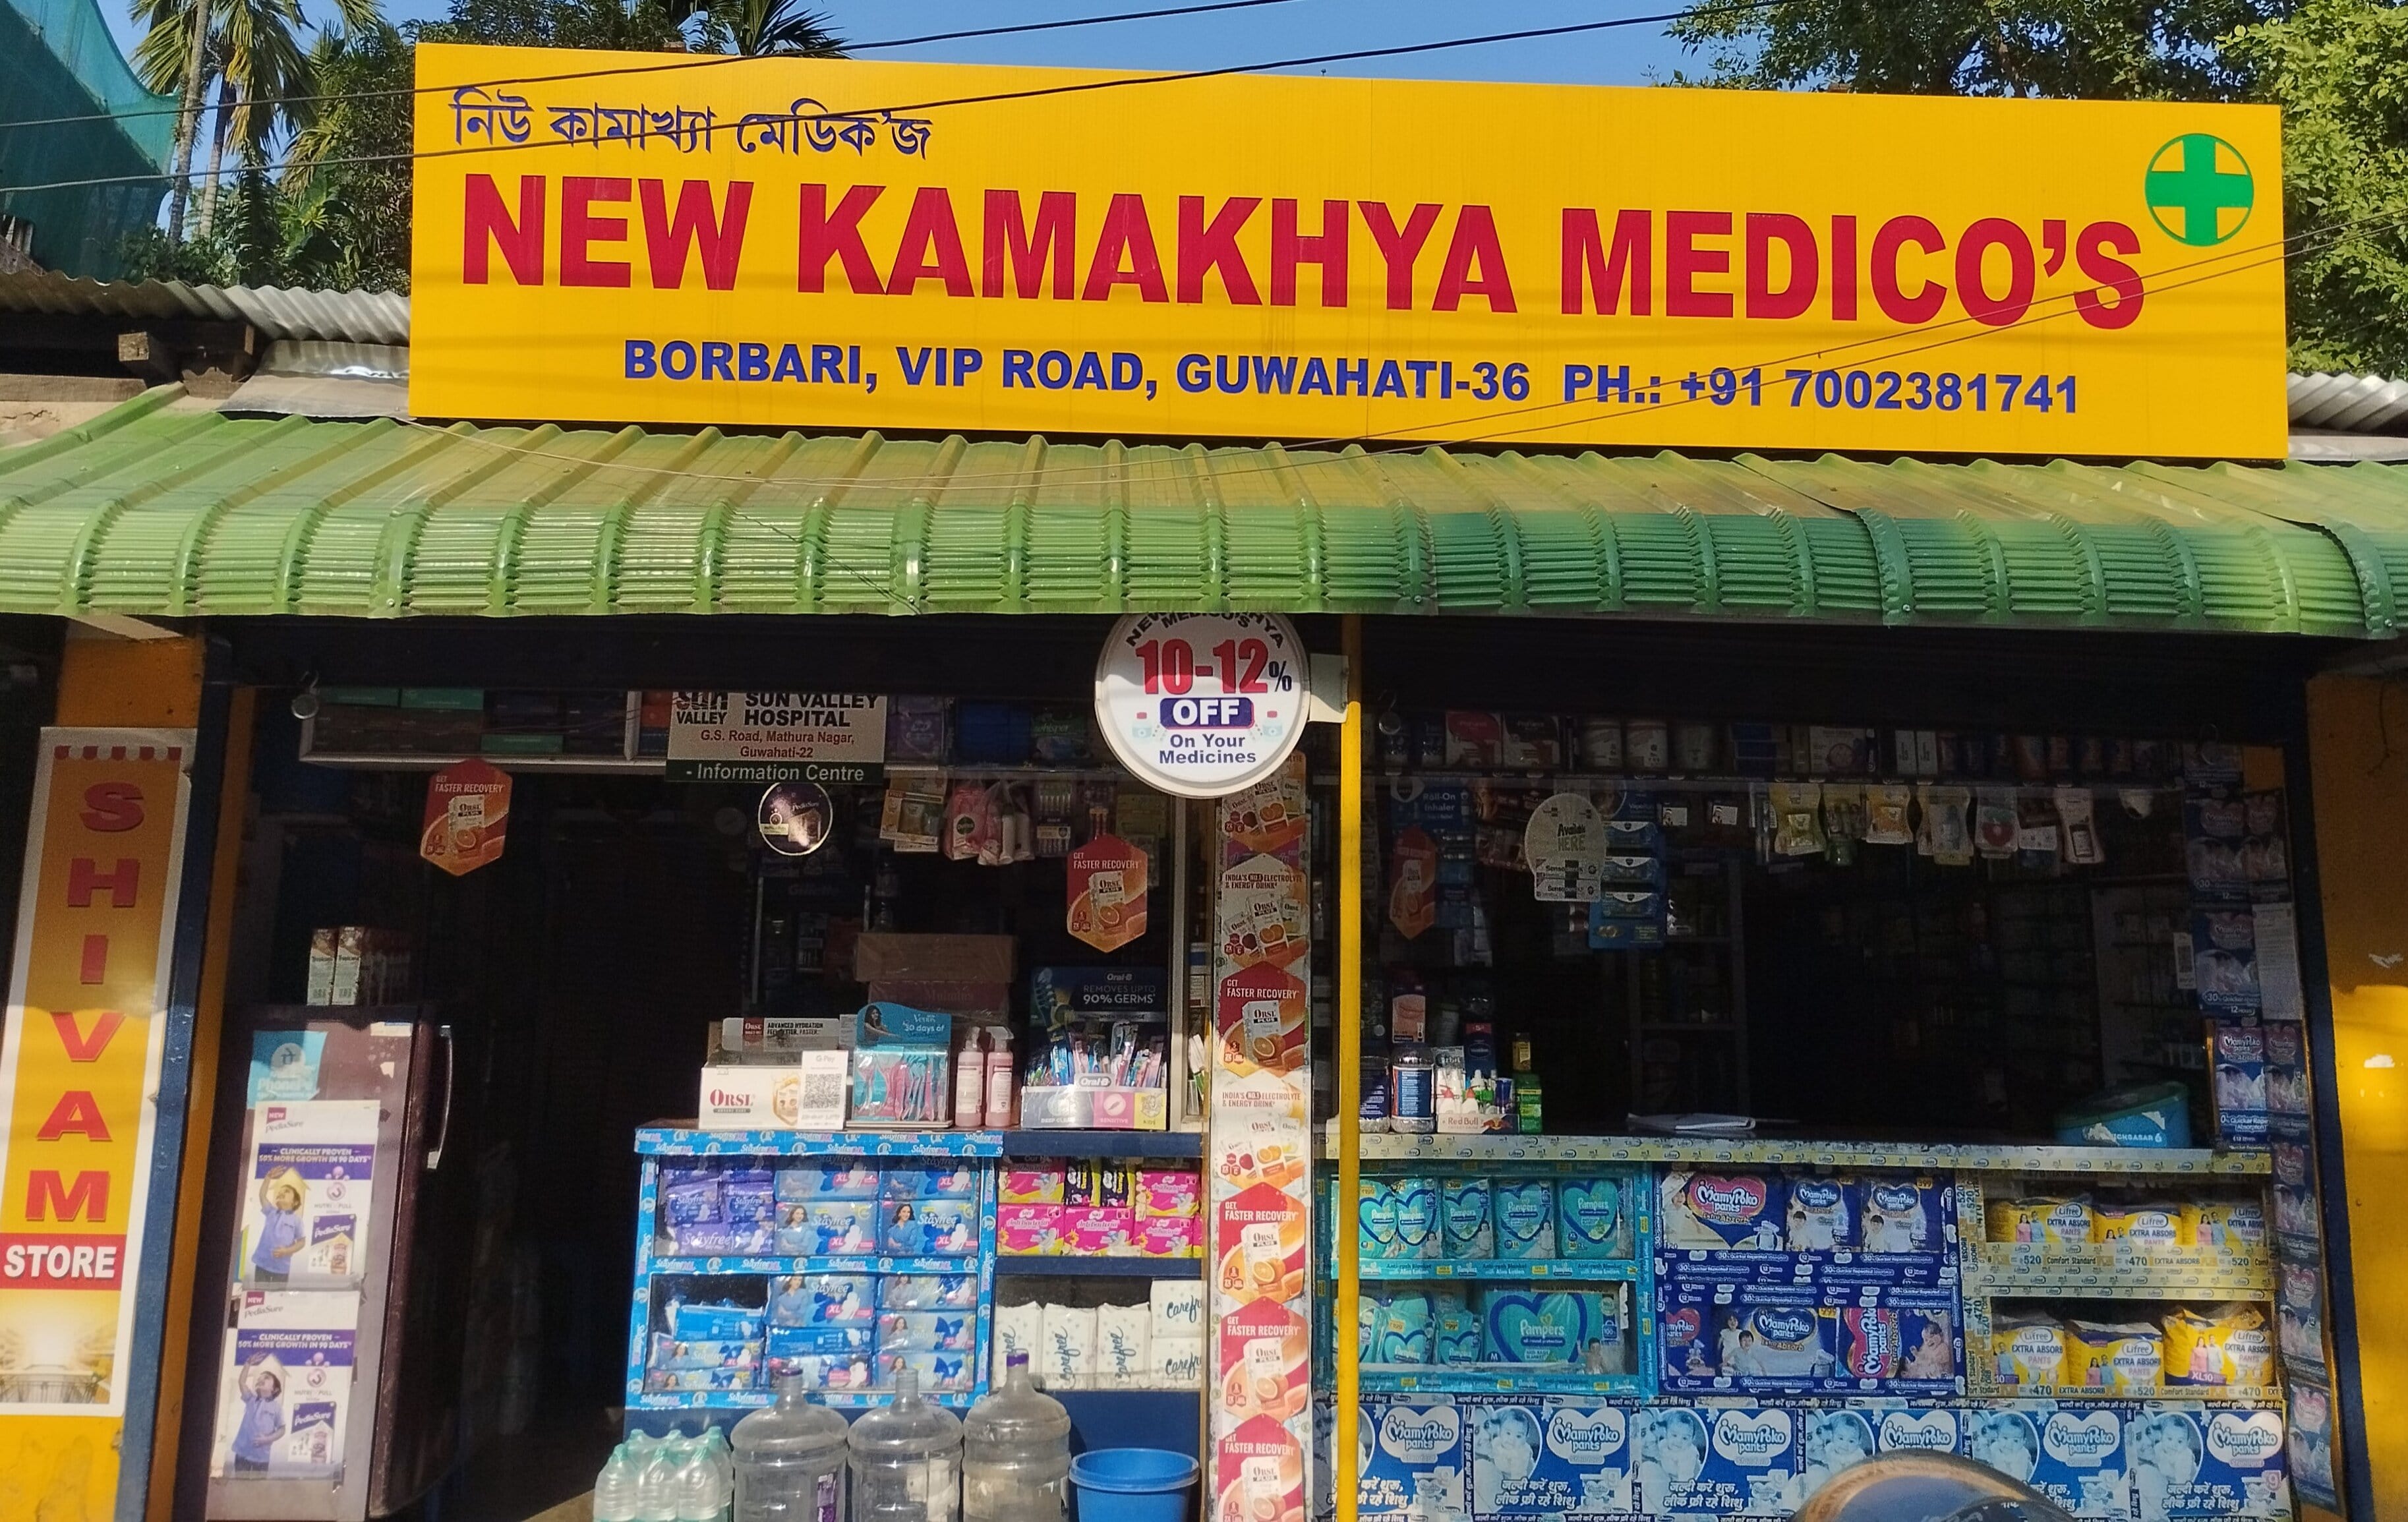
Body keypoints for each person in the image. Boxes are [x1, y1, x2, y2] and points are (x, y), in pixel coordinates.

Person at [229, 1359, 286, 1473]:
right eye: (260, 1378)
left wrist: (268, 1439)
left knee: (259, 1483)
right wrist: (247, 1365)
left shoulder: (277, 1408)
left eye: (266, 1378)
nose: (261, 1379)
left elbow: (282, 1429)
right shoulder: (250, 1399)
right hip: (242, 1453)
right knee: (241, 1481)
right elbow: (242, 1382)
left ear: (274, 1389)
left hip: (261, 1457)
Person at [250, 1169, 307, 1283]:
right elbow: (262, 1196)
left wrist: (287, 1251)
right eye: (279, 1192)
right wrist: (268, 1178)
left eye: (286, 1191)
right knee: (260, 1291)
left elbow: (302, 1242)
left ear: (295, 1202)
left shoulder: (297, 1220)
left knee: (278, 1293)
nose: (281, 1193)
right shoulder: (271, 1211)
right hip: (262, 1264)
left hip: (282, 1268)